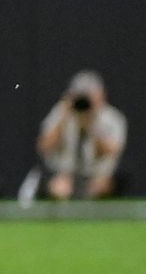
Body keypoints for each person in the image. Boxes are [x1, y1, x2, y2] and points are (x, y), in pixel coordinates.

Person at [26, 71, 126, 202]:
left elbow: (111, 151)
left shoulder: (111, 118)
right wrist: (64, 117)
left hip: (98, 174)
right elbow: (44, 146)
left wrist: (91, 125)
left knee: (100, 186)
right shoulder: (61, 113)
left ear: (102, 95)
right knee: (60, 188)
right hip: (64, 173)